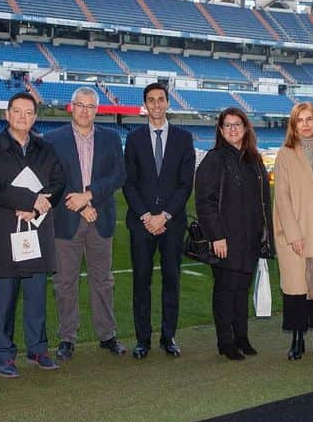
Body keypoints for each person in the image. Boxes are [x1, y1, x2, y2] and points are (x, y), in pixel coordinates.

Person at [0, 92, 66, 378]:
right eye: (17, 111)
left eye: (28, 112)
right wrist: (29, 200)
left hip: (37, 230)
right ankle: (4, 353)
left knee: (36, 296)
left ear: (35, 116)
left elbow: (59, 180)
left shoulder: (46, 148)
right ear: (7, 114)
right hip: (7, 231)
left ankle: (38, 348)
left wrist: (43, 203)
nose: (23, 117)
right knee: (5, 298)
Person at [45, 87, 127, 360]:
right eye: (80, 105)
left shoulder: (111, 138)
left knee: (103, 280)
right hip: (66, 220)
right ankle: (67, 337)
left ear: (97, 109)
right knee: (64, 282)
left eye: (90, 106)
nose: (84, 110)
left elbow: (118, 175)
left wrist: (89, 197)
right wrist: (78, 204)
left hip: (100, 217)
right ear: (72, 107)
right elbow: (53, 179)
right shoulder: (53, 139)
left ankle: (107, 335)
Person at [122, 83, 196, 359]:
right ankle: (142, 339)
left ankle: (168, 336)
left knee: (171, 280)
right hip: (141, 223)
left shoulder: (183, 138)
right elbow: (128, 183)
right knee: (141, 281)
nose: (156, 105)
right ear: (145, 105)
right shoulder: (134, 139)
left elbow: (186, 184)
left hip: (172, 223)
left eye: (160, 100)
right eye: (150, 100)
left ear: (167, 103)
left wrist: (164, 216)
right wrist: (146, 216)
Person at [195, 108, 274, 360]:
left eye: (237, 124)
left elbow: (263, 201)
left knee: (241, 290)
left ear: (245, 128)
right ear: (220, 130)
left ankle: (242, 336)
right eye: (227, 125)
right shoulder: (215, 158)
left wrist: (264, 235)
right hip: (225, 240)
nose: (232, 129)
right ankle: (225, 341)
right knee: (226, 289)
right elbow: (205, 202)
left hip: (249, 238)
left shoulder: (255, 160)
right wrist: (216, 236)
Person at [272, 102, 313, 360]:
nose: (306, 124)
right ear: (293, 126)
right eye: (300, 120)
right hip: (295, 229)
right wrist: (293, 234)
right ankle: (297, 337)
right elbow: (282, 197)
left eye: (310, 119)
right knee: (296, 287)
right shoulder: (285, 154)